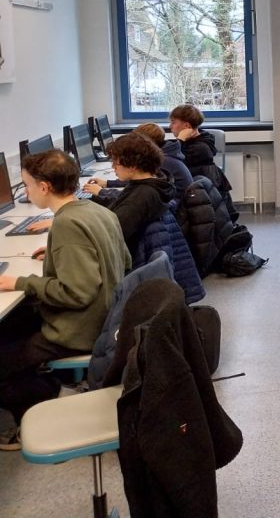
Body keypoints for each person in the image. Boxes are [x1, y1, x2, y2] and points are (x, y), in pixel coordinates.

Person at [0, 150, 132, 448]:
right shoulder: (97, 210)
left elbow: (77, 292)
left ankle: (44, 401)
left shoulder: (66, 224)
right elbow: (124, 261)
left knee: (5, 357)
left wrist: (21, 282)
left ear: (44, 187)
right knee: (13, 325)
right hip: (105, 317)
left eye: (27, 185)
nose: (26, 192)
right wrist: (60, 256)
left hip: (78, 329)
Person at [83, 133, 176, 259]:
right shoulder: (156, 182)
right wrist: (89, 202)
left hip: (131, 260)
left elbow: (110, 234)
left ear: (132, 166)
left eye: (115, 163)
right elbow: (122, 203)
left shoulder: (142, 196)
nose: (113, 167)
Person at [169, 104, 237, 218]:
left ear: (186, 126)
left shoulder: (200, 148)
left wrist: (180, 140)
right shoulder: (193, 142)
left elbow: (173, 161)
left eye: (173, 122)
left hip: (202, 202)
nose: (170, 126)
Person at [96, 122, 193, 202]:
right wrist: (107, 183)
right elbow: (137, 181)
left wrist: (102, 192)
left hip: (176, 209)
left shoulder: (163, 161)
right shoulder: (165, 153)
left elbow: (137, 195)